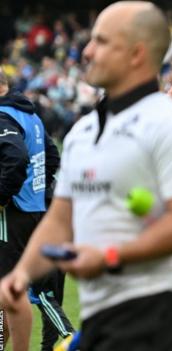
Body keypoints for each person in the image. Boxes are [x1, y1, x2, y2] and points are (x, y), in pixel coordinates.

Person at [0, 2, 172, 350]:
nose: (86, 51)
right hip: (100, 314)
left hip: (157, 314)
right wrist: (21, 274)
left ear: (136, 53)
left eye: (101, 41)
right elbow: (60, 219)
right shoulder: (83, 132)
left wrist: (111, 256)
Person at [0, 69, 74, 350]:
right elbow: (52, 156)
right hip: (37, 209)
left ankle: (70, 337)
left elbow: (16, 157)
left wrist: (4, 195)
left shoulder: (3, 117)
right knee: (20, 290)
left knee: (19, 289)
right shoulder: (29, 115)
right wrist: (37, 191)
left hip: (13, 212)